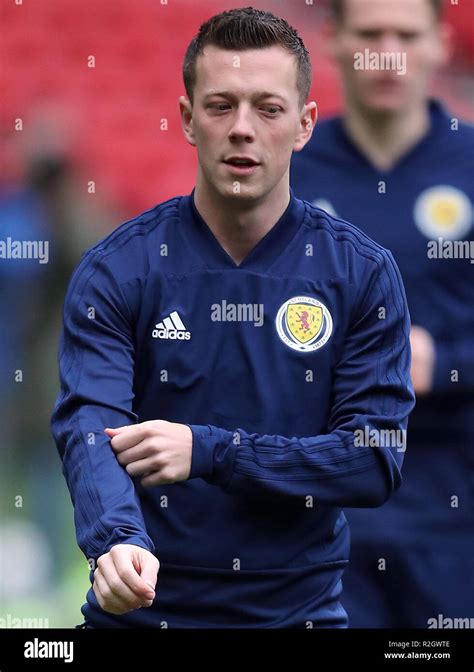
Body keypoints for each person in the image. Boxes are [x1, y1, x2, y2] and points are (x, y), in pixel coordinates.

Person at [51, 6, 414, 629]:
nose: (242, 129)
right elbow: (92, 424)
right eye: (221, 106)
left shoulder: (361, 273)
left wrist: (214, 452)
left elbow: (373, 460)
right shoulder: (119, 269)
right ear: (189, 120)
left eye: (268, 109)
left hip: (297, 617)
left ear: (303, 125)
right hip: (143, 613)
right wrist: (116, 540)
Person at [291, 0, 474, 627]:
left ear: (439, 44)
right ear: (334, 42)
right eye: (370, 33)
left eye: (405, 34)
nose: (386, 52)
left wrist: (444, 362)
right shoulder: (285, 174)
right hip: (323, 516)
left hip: (457, 519)